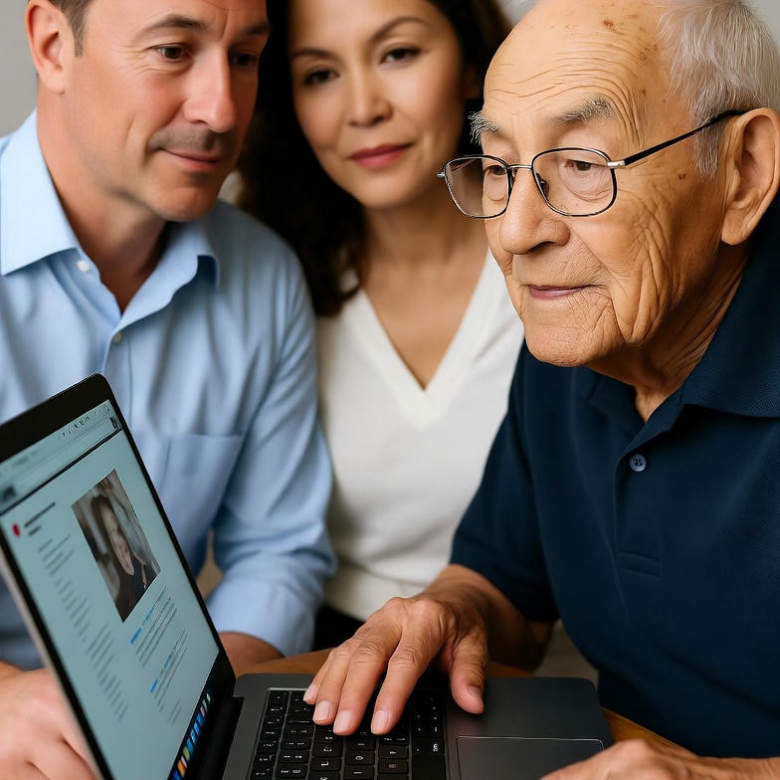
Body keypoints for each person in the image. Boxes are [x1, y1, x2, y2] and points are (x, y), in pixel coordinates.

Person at [302, 0, 780, 774]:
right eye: (497, 168)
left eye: (583, 166)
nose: (519, 231)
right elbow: (506, 588)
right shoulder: (581, 336)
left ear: (744, 171)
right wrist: (448, 612)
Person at [0, 0, 335, 776]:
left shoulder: (265, 279)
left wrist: (191, 712)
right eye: (173, 50)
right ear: (53, 47)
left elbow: (278, 552)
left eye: (245, 57)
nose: (221, 110)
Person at [239, 0, 522, 648]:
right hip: (333, 671)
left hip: (545, 679)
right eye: (320, 75)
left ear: (474, 64)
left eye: (397, 54)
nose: (362, 108)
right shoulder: (271, 280)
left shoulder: (560, 251)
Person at [90, 494, 155, 621]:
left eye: (118, 529)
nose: (120, 543)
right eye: (110, 536)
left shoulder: (151, 570)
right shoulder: (121, 609)